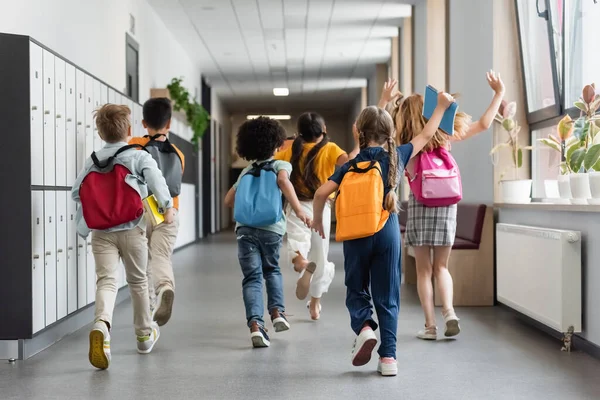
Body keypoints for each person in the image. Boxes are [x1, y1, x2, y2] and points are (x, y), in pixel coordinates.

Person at [312, 95, 454, 376]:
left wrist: (318, 220)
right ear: (391, 133)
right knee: (388, 296)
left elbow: (320, 194)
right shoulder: (396, 156)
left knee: (356, 289)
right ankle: (388, 358)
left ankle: (364, 327)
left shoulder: (350, 164)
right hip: (387, 230)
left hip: (355, 234)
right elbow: (426, 134)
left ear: (357, 132)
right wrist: (441, 106)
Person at [379, 71, 505, 340]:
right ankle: (449, 311)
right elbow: (483, 124)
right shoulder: (446, 140)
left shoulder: (406, 148)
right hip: (448, 207)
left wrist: (385, 101)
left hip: (421, 206)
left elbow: (378, 133)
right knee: (442, 268)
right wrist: (499, 94)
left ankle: (430, 326)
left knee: (424, 270)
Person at [72, 104, 175, 369]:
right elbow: (158, 181)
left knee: (106, 281)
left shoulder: (92, 159)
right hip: (132, 229)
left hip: (100, 233)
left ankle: (102, 325)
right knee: (138, 281)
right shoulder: (136, 155)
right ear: (129, 130)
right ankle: (143, 335)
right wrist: (167, 207)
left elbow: (76, 193)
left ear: (99, 131)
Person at [224, 116, 311, 348]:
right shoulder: (281, 165)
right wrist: (299, 209)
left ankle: (255, 326)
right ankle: (277, 312)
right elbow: (284, 182)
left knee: (251, 278)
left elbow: (228, 200)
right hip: (271, 229)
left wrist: (249, 202)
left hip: (244, 231)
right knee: (272, 270)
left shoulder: (245, 172)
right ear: (277, 145)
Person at [274, 112, 359, 320]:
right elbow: (350, 161)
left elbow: (273, 166)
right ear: (324, 130)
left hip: (297, 206)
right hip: (322, 207)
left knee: (297, 244)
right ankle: (314, 305)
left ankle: (302, 263)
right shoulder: (330, 149)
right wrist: (357, 141)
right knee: (321, 255)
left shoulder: (290, 150)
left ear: (299, 132)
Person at [129, 97, 185, 327]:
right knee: (161, 257)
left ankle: (150, 308)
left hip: (141, 210)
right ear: (169, 123)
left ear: (144, 123)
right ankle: (165, 286)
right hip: (168, 212)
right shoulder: (178, 153)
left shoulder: (133, 145)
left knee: (142, 263)